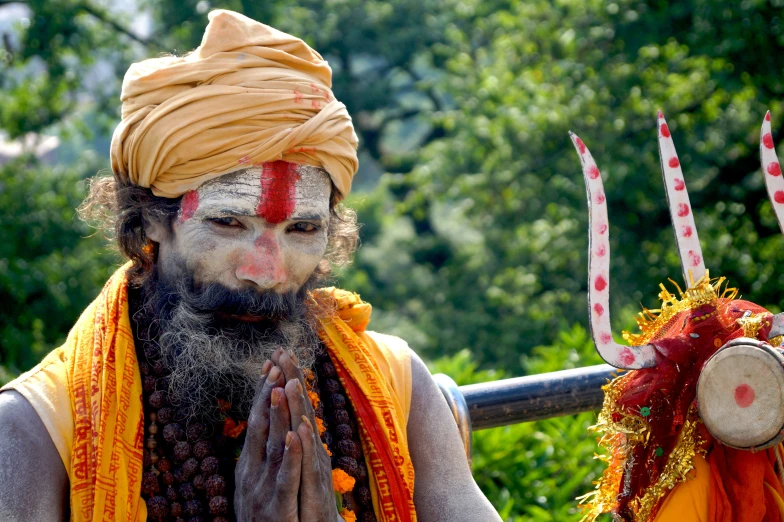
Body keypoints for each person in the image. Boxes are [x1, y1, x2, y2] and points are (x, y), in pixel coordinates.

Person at [0, 10, 501, 522]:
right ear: (150, 219)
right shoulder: (38, 429)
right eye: (227, 224)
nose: (266, 272)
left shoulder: (395, 385)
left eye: (302, 230)